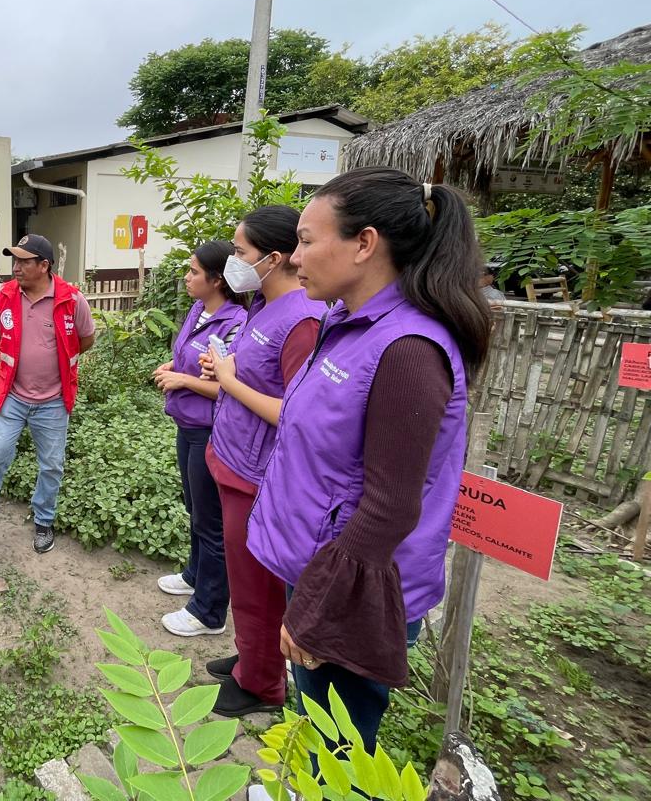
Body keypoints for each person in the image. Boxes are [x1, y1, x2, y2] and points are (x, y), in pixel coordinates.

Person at [247, 167, 492, 751]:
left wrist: (315, 607)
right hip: (322, 565)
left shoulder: (407, 350)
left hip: (352, 587)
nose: (295, 257)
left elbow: (390, 507)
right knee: (313, 717)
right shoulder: (346, 324)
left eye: (306, 240)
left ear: (364, 243)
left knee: (341, 745)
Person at [197, 206, 324, 716]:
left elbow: (294, 412)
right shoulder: (264, 306)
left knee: (259, 584)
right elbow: (257, 377)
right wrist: (226, 371)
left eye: (240, 252)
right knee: (245, 579)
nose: (233, 261)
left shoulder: (302, 320)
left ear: (274, 258)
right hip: (234, 460)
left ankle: (262, 684)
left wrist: (229, 381)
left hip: (258, 476)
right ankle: (253, 656)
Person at [0, 234, 96, 554]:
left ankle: (44, 520)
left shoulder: (72, 300)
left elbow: (86, 339)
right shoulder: (4, 296)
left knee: (52, 465)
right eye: (14, 260)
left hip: (53, 401)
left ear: (44, 266)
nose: (15, 267)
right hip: (12, 396)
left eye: (23, 261)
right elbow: (1, 334)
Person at [151, 241, 248, 638]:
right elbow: (191, 357)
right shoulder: (198, 310)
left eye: (194, 271)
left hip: (210, 430)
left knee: (211, 520)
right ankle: (195, 574)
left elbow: (229, 387)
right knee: (195, 507)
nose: (187, 277)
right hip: (186, 425)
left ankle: (209, 611)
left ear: (218, 279)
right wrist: (174, 365)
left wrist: (182, 380)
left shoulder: (236, 323)